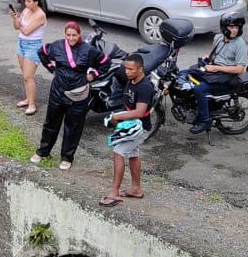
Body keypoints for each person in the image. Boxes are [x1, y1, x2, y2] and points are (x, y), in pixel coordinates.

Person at [31, 22, 102, 170]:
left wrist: (91, 76)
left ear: (79, 35)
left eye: (74, 35)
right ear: (65, 34)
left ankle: (67, 157)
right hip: (57, 92)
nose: (71, 38)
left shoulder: (88, 50)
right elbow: (42, 52)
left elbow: (104, 63)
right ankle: (43, 152)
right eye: (68, 35)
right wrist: (52, 68)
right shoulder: (57, 46)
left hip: (78, 96)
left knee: (73, 127)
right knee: (50, 123)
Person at [100, 53, 155, 206]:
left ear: (140, 69)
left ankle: (114, 192)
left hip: (140, 128)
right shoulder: (131, 80)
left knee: (118, 152)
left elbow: (138, 112)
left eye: (131, 69)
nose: (127, 72)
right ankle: (136, 189)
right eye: (126, 68)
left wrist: (117, 117)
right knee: (133, 154)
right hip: (131, 126)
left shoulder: (144, 87)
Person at [189, 14, 248, 133]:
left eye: (237, 27)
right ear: (224, 28)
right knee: (187, 75)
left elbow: (240, 69)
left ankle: (206, 121)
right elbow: (215, 55)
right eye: (231, 27)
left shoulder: (240, 44)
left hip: (226, 77)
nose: (234, 30)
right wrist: (208, 57)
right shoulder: (218, 38)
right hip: (214, 71)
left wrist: (217, 68)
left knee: (199, 89)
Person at [11, 0, 47, 116]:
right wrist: (15, 17)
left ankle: (32, 105)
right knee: (24, 75)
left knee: (28, 76)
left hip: (33, 46)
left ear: (36, 2)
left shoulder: (40, 15)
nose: (26, 4)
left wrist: (20, 25)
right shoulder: (26, 11)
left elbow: (26, 31)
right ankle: (28, 99)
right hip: (22, 44)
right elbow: (17, 27)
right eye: (25, 1)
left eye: (29, 1)